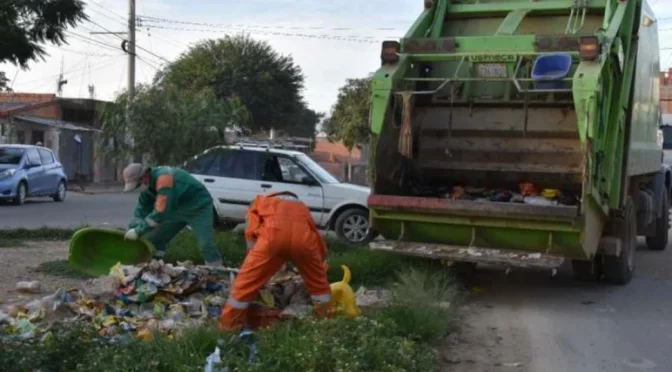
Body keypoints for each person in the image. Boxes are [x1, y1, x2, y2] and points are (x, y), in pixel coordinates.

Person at [219, 191, 333, 331]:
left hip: (272, 240)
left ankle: (229, 327)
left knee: (243, 288)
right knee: (320, 289)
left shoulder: (260, 202)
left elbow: (251, 233)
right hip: (304, 244)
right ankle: (327, 325)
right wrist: (319, 264)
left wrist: (253, 265)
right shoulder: (301, 207)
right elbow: (314, 235)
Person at [121, 163, 222, 266]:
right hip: (176, 208)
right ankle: (155, 265)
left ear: (144, 176)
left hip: (198, 207)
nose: (136, 188)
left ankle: (217, 271)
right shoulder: (147, 187)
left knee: (205, 245)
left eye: (137, 185)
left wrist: (138, 231)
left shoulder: (164, 179)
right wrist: (132, 228)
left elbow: (160, 213)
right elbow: (141, 210)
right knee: (155, 239)